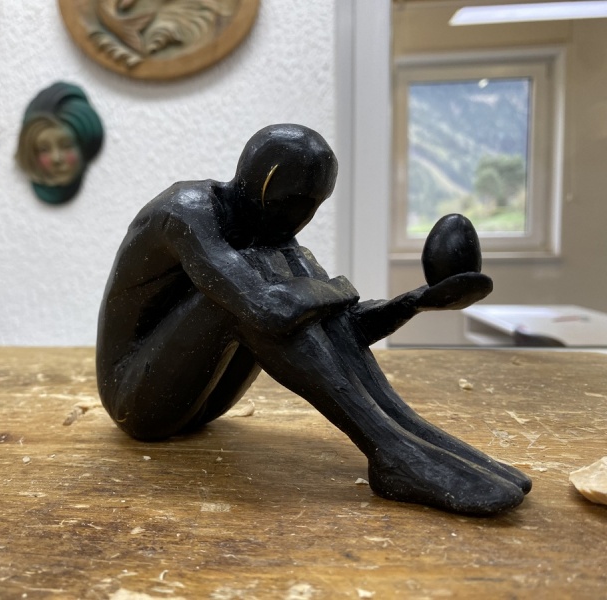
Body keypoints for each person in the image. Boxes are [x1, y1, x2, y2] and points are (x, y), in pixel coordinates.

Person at [96, 124, 531, 515]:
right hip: (138, 403)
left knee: (276, 286)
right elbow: (267, 309)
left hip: (204, 404)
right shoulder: (185, 212)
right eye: (296, 203)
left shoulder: (272, 235)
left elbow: (341, 326)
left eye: (315, 205)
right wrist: (337, 289)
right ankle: (391, 451)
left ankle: (415, 438)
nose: (303, 219)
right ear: (263, 185)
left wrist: (414, 302)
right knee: (242, 298)